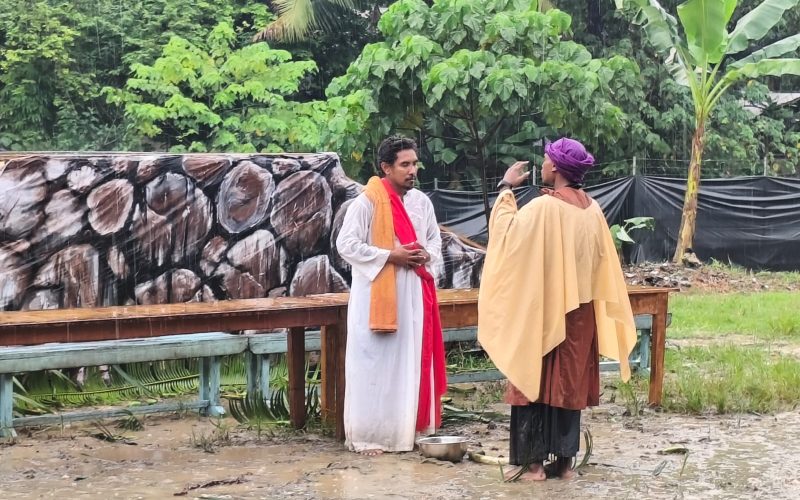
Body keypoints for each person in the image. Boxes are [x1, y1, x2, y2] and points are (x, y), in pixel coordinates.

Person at [477, 138, 637, 480]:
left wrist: (506, 188)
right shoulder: (593, 210)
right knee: (568, 385)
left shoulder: (544, 208)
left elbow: (506, 235)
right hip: (580, 314)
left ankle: (532, 465)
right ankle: (564, 465)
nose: (543, 163)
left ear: (556, 167)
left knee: (530, 377)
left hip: (543, 308)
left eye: (547, 159)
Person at [336, 135, 447, 456]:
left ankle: (408, 431)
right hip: (377, 298)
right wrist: (390, 255)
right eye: (405, 165)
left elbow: (434, 240)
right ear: (386, 168)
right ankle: (370, 437)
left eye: (415, 164)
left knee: (409, 362)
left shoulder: (421, 202)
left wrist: (426, 255)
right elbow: (347, 245)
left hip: (415, 295)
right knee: (374, 365)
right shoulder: (367, 202)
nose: (413, 170)